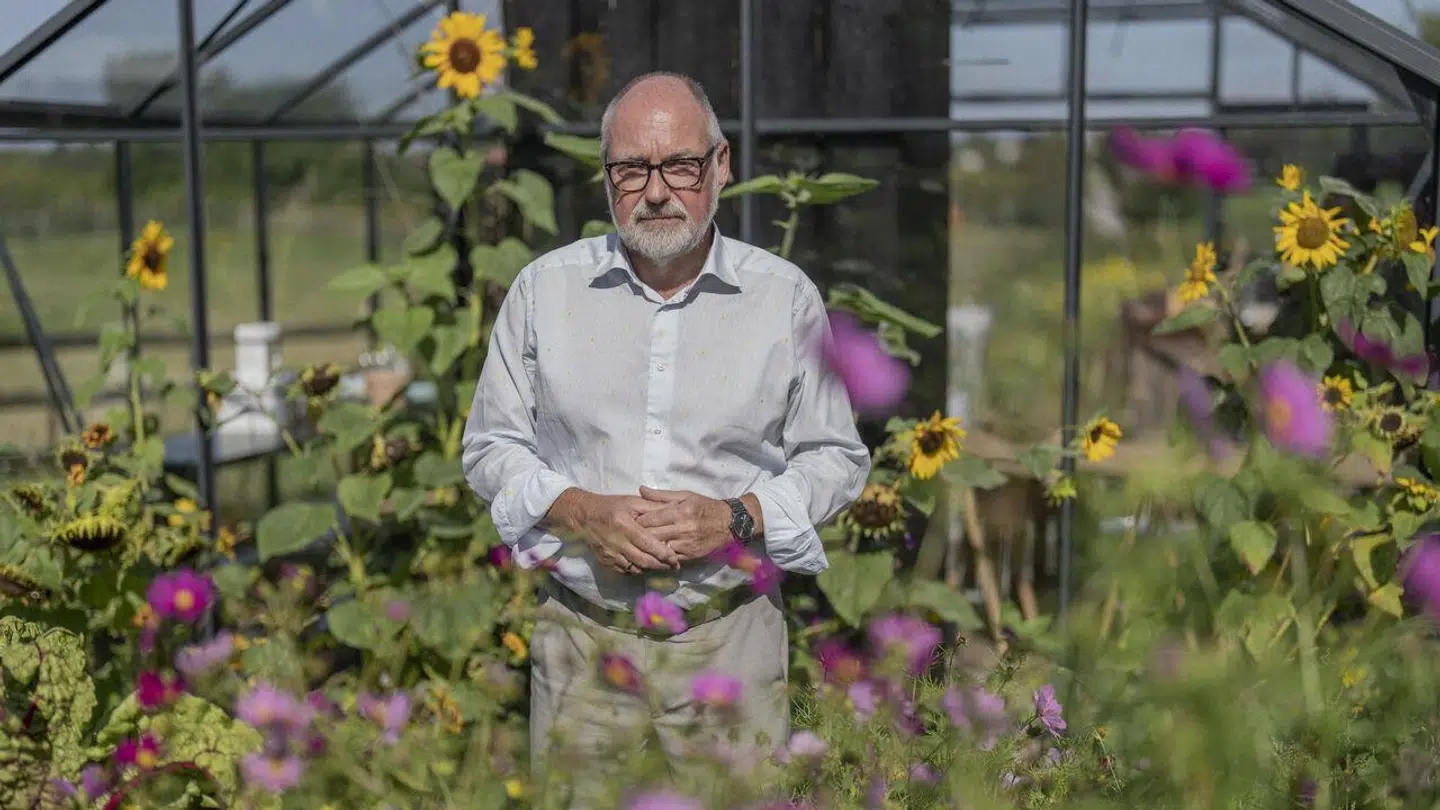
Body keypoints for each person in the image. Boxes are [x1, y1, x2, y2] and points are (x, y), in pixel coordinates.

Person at [461, 71, 870, 799]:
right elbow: (491, 446)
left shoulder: (782, 299)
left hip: (728, 639)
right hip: (583, 638)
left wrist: (734, 517)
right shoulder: (543, 291)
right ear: (605, 176)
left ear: (720, 167)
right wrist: (578, 510)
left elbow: (835, 458)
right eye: (630, 170)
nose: (655, 191)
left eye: (679, 165)